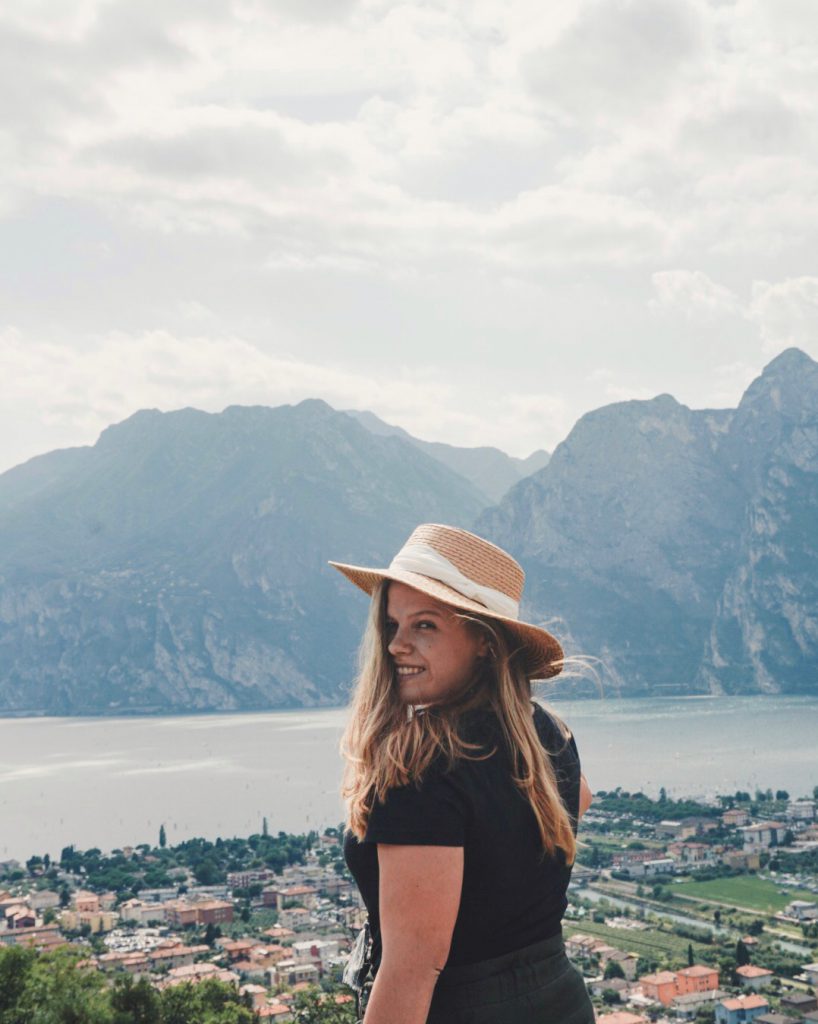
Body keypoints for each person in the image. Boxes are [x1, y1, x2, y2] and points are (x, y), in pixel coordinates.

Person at [330, 523, 594, 1024]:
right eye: (392, 625)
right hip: (559, 999)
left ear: (486, 643)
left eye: (424, 625)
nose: (395, 646)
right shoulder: (546, 735)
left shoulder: (418, 764)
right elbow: (578, 799)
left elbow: (412, 969)